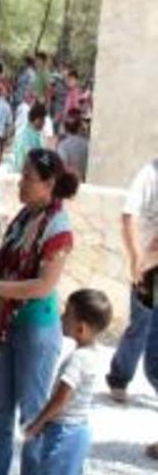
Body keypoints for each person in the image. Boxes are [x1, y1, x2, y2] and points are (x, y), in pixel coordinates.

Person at [0, 148, 80, 475]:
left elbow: (43, 285)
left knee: (32, 417)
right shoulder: (25, 218)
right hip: (11, 324)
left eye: (28, 177)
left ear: (49, 184)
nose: (21, 183)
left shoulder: (58, 226)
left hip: (35, 329)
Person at [25, 289, 112, 475]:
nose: (62, 317)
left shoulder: (78, 359)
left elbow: (61, 398)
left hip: (64, 434)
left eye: (67, 314)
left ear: (81, 328)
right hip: (76, 431)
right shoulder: (92, 355)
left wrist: (38, 422)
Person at [106, 159, 158, 403]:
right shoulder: (149, 174)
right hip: (149, 267)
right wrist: (137, 257)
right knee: (142, 324)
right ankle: (120, 376)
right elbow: (130, 216)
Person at [12, 103, 47, 172]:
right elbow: (31, 154)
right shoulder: (24, 133)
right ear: (37, 119)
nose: (44, 123)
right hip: (24, 174)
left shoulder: (38, 134)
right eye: (43, 120)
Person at [56, 110, 89, 181]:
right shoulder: (87, 144)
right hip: (84, 182)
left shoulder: (63, 145)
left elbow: (61, 167)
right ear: (79, 126)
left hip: (69, 184)